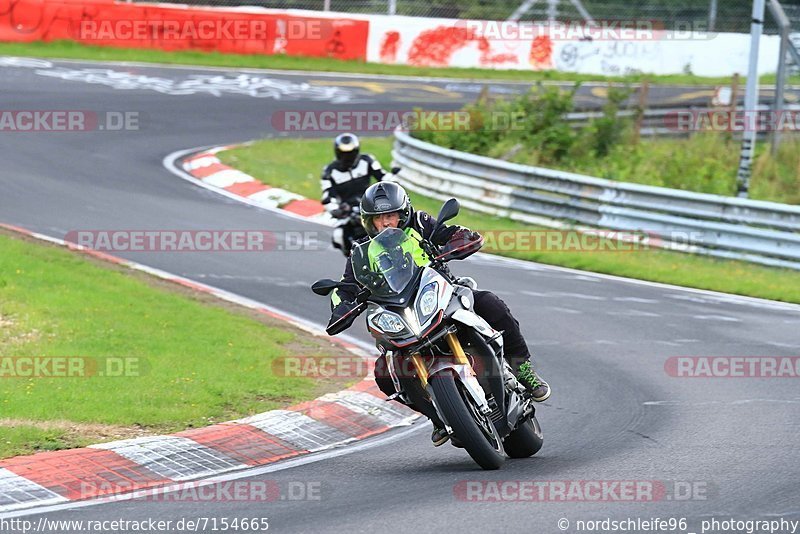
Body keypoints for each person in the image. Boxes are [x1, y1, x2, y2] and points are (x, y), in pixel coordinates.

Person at [328, 181, 551, 447]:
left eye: (391, 215)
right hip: (399, 314)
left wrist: (458, 241)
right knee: (384, 372)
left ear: (404, 213)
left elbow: (450, 233)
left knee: (490, 303)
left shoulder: (421, 225)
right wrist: (342, 305)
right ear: (369, 221)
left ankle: (523, 368)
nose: (386, 223)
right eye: (379, 218)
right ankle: (437, 416)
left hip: (443, 295)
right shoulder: (361, 251)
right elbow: (346, 286)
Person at [320, 133, 386, 255]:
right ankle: (353, 260)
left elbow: (383, 177)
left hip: (372, 205)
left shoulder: (367, 161)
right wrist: (336, 209)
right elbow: (327, 197)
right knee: (339, 235)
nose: (347, 157)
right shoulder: (330, 171)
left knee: (392, 222)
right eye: (344, 154)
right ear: (338, 153)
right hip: (347, 211)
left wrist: (392, 183)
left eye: (350, 153)